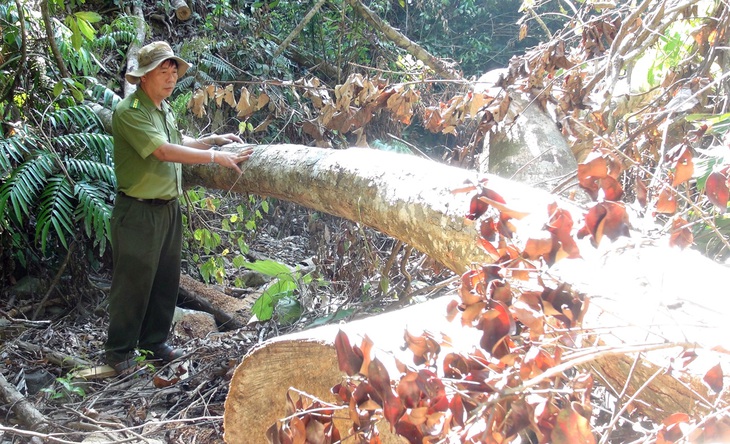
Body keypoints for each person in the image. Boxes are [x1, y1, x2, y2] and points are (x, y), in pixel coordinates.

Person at [105, 41, 254, 376]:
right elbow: (162, 151)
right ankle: (118, 353)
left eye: (174, 70)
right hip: (139, 211)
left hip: (167, 209)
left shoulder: (163, 109)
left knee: (165, 280)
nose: (171, 77)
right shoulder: (130, 112)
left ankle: (154, 343)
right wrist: (217, 157)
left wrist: (213, 140)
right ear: (144, 77)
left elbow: (179, 142)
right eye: (163, 70)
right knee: (133, 283)